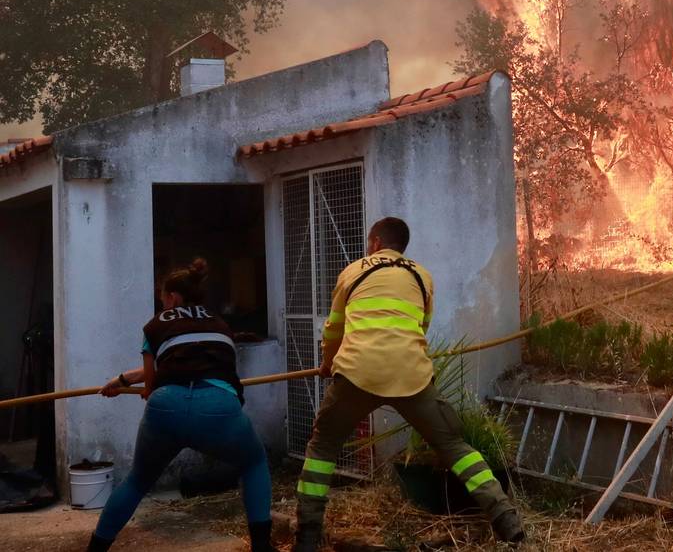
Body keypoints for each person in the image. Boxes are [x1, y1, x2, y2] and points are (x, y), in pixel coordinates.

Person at [293, 217, 524, 550]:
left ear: (375, 242)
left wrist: (327, 365)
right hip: (411, 376)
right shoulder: (421, 276)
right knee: (455, 446)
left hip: (358, 373)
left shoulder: (352, 271)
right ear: (402, 246)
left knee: (322, 448)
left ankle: (307, 536)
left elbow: (334, 329)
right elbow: (421, 326)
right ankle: (506, 518)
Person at [88, 259, 273, 552]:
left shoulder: (155, 325)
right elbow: (195, 361)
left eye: (162, 297)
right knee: (254, 462)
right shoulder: (220, 324)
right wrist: (123, 379)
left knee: (138, 481)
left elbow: (152, 383)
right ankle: (262, 546)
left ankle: (96, 549)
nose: (162, 304)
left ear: (172, 297)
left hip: (167, 408)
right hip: (218, 408)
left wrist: (139, 387)